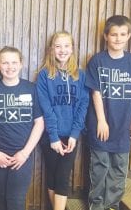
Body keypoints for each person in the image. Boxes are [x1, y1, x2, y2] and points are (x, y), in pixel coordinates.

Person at [0, 46, 44, 210]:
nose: (10, 66)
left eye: (14, 62)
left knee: (15, 200)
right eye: (5, 62)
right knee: (1, 197)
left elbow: (39, 123)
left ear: (21, 64)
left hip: (22, 156)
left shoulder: (31, 89)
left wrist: (25, 153)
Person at [86, 15, 131, 210]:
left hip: (124, 125)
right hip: (101, 125)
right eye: (114, 34)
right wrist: (101, 120)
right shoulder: (97, 61)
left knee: (118, 169)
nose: (118, 38)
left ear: (129, 36)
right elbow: (95, 92)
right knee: (99, 168)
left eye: (123, 34)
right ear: (106, 36)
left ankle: (112, 205)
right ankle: (97, 205)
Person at [36, 31, 89, 210]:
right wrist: (53, 137)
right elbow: (46, 109)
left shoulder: (80, 75)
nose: (62, 50)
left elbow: (82, 107)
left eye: (66, 46)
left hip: (71, 137)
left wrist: (74, 134)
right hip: (50, 136)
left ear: (72, 49)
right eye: (58, 46)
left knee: (63, 176)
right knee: (52, 175)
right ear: (52, 49)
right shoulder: (44, 75)